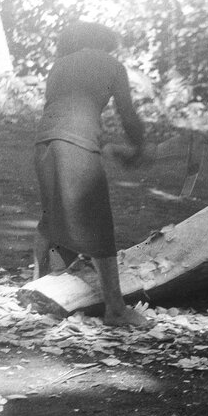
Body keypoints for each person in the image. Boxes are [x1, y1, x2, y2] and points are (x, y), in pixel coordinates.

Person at [33, 20, 150, 327]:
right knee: (99, 225)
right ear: (104, 43)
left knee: (53, 217)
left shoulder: (59, 66)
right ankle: (115, 309)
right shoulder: (112, 65)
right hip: (76, 145)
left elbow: (67, 111)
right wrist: (139, 147)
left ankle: (38, 287)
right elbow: (127, 114)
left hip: (45, 143)